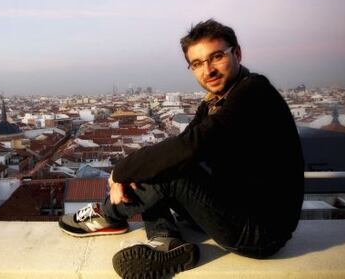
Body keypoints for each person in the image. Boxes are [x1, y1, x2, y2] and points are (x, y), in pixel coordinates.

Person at [59, 19, 304, 278]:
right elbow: (177, 150)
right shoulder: (217, 100)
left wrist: (120, 172)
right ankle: (166, 240)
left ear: (238, 53)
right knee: (162, 166)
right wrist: (132, 172)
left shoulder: (253, 93)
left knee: (173, 170)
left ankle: (107, 215)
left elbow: (188, 148)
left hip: (260, 233)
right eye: (197, 64)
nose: (208, 70)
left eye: (217, 57)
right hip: (234, 207)